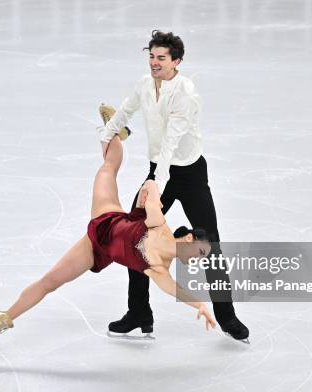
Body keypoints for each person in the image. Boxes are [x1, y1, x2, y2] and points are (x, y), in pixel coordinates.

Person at [0, 133, 217, 348]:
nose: (197, 259)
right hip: (107, 216)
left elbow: (176, 289)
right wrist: (149, 186)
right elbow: (153, 186)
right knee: (107, 169)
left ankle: (0, 318)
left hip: (97, 248)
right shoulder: (159, 225)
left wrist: (201, 307)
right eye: (200, 252)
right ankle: (116, 132)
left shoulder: (159, 269)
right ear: (189, 238)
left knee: (51, 281)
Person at [99, 30, 250, 342]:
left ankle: (227, 315)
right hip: (159, 171)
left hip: (188, 174)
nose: (154, 63)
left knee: (210, 243)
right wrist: (107, 134)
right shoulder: (144, 85)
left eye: (161, 58)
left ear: (176, 61)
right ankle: (139, 311)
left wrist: (155, 181)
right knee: (133, 237)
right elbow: (125, 111)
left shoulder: (185, 92)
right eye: (151, 56)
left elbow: (171, 141)